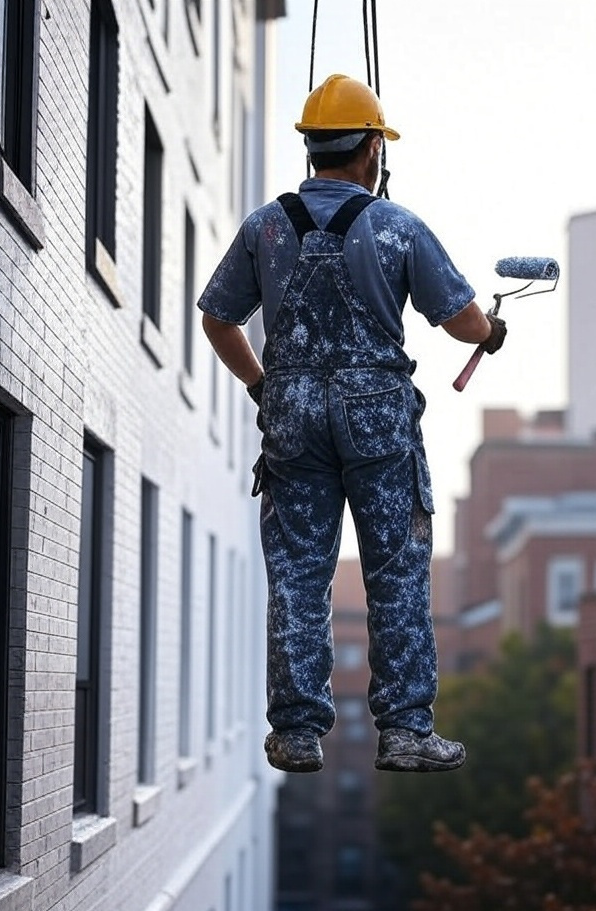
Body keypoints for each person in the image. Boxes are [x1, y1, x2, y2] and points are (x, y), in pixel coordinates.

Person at [197, 74, 506, 774]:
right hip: (377, 416)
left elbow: (218, 318)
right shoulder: (397, 225)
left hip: (293, 414)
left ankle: (298, 731)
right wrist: (491, 331)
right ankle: (403, 731)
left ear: (311, 148)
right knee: (395, 569)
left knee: (300, 571)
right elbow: (460, 319)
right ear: (373, 147)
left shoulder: (265, 226)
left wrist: (261, 384)